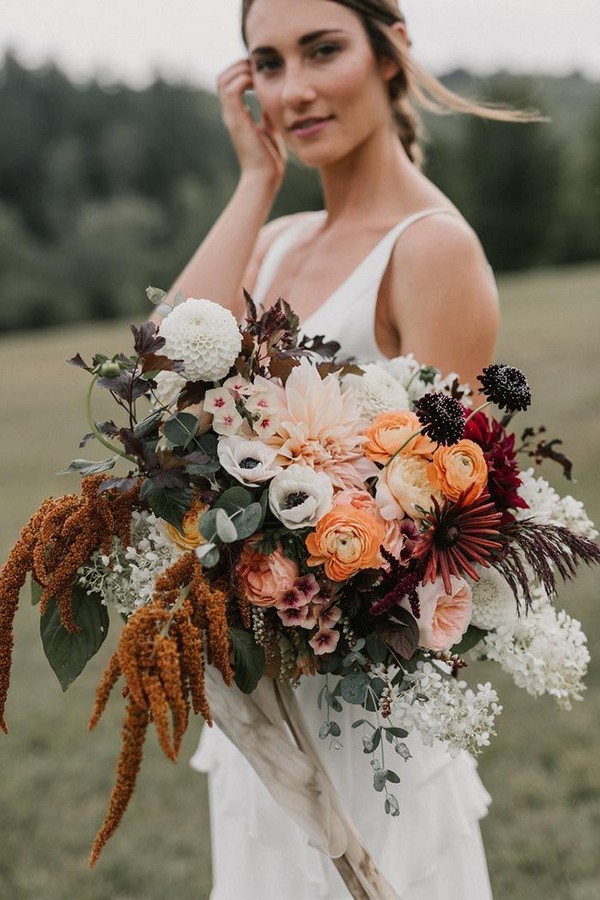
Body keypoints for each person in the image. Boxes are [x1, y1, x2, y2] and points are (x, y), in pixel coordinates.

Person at [153, 2, 531, 895]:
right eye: (269, 64)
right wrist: (255, 182)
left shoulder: (432, 248)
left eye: (323, 51)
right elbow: (165, 375)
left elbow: (441, 519)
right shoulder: (277, 241)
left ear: (391, 52)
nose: (296, 89)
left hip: (365, 717)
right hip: (262, 706)